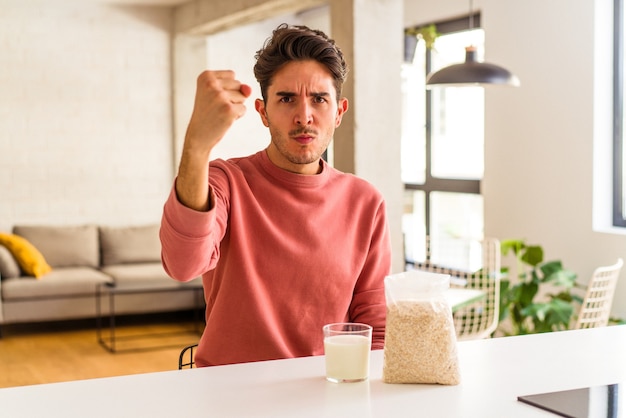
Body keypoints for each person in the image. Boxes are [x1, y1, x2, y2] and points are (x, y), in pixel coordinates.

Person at [160, 23, 392, 367]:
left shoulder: (366, 202)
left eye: (319, 99)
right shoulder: (225, 181)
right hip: (230, 395)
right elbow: (183, 265)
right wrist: (197, 146)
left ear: (339, 112)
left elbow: (375, 327)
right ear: (263, 112)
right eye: (286, 99)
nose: (304, 116)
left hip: (326, 392)